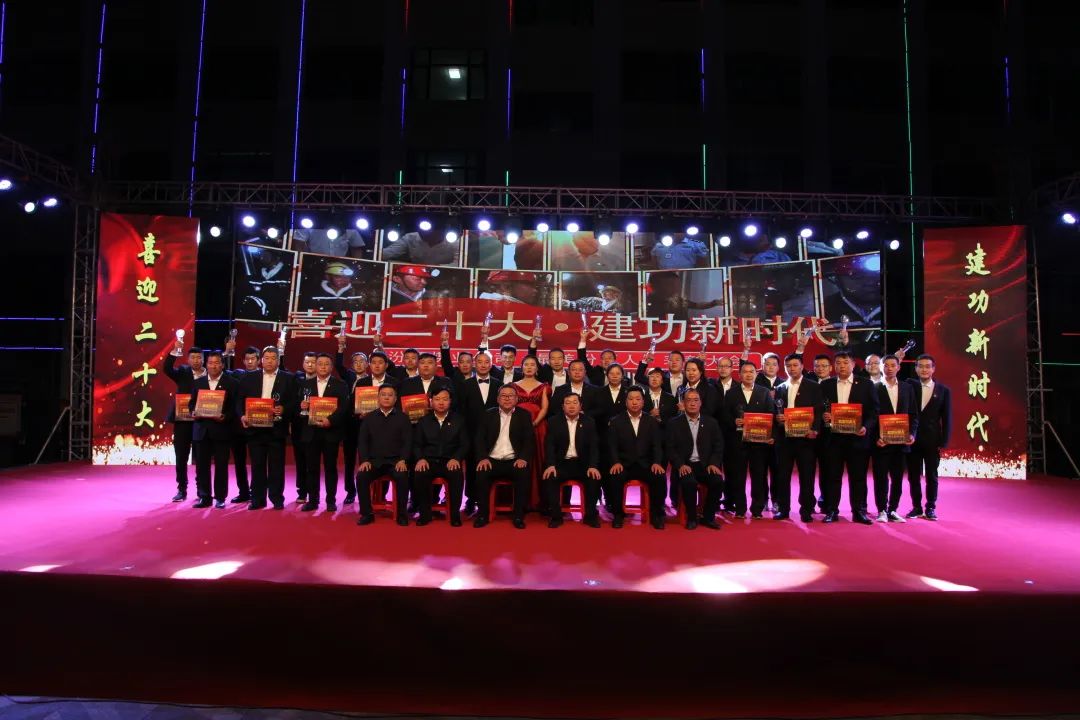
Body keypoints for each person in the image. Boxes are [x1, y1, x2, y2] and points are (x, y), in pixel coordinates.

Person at [820, 351, 879, 525]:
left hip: (857, 438)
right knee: (832, 476)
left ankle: (859, 511)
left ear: (853, 364)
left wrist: (865, 426)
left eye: (845, 362)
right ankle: (831, 510)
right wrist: (824, 416)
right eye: (838, 362)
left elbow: (874, 411)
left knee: (858, 477)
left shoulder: (866, 384)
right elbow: (819, 408)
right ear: (834, 366)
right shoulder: (826, 385)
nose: (842, 366)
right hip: (833, 439)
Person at [236, 346, 298, 510]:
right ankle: (257, 499)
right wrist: (242, 415)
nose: (270, 361)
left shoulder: (288, 378)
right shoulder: (249, 377)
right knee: (257, 465)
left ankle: (277, 498)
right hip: (255, 428)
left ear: (278, 360)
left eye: (273, 358)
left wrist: (284, 408)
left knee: (276, 466)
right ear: (261, 360)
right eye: (267, 358)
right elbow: (239, 400)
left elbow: (295, 401)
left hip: (276, 429)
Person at [473, 385, 536, 529]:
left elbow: (529, 440)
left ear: (516, 399)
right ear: (497, 399)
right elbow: (479, 439)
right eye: (503, 396)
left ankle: (518, 516)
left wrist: (523, 458)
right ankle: (482, 515)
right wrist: (482, 457)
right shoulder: (487, 414)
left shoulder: (524, 415)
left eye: (510, 396)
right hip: (491, 460)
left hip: (514, 460)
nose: (507, 399)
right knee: (481, 473)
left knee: (523, 473)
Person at [606, 388, 667, 529]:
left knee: (659, 477)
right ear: (626, 402)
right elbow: (612, 446)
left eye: (638, 399)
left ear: (643, 402)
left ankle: (656, 514)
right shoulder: (615, 421)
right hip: (624, 465)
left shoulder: (651, 421)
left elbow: (657, 446)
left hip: (646, 465)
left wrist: (657, 462)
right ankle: (618, 515)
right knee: (614, 477)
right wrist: (616, 462)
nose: (634, 402)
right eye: (631, 399)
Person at [721, 361, 775, 518]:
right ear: (739, 375)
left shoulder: (764, 392)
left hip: (759, 442)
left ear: (756, 374)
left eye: (752, 371)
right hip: (737, 442)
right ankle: (740, 508)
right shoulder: (731, 393)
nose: (749, 374)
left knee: (759, 476)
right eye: (745, 372)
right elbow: (724, 416)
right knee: (738, 477)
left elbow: (771, 414)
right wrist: (734, 421)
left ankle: (757, 509)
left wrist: (770, 435)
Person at [666, 387, 724, 530]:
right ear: (683, 403)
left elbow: (718, 445)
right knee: (689, 483)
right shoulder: (674, 423)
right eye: (689, 400)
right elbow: (670, 448)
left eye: (696, 400)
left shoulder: (711, 423)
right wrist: (680, 465)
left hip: (705, 465)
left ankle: (708, 517)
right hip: (685, 465)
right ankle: (691, 518)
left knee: (717, 481)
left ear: (700, 403)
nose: (692, 403)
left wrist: (714, 463)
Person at [773, 353, 823, 522]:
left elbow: (818, 411)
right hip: (785, 439)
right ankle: (783, 509)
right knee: (782, 476)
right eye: (788, 366)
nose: (792, 369)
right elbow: (777, 410)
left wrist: (815, 430)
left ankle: (806, 510)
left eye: (795, 365)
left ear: (802, 366)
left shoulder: (813, 386)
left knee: (807, 476)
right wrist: (778, 418)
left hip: (805, 439)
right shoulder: (780, 388)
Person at [543, 393, 603, 528]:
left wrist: (593, 465)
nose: (571, 406)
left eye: (575, 403)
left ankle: (590, 516)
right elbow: (549, 445)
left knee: (594, 478)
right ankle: (556, 517)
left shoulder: (589, 422)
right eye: (568, 403)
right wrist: (551, 465)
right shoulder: (553, 421)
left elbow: (594, 447)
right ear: (562, 406)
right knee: (550, 477)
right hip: (561, 463)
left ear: (580, 406)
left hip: (583, 464)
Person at [355, 385, 413, 526]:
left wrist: (403, 460)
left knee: (402, 477)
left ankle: (402, 514)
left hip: (396, 462)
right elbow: (363, 442)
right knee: (361, 476)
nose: (386, 397)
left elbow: (408, 442)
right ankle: (367, 514)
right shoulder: (369, 418)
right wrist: (365, 460)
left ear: (395, 399)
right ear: (378, 398)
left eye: (390, 395)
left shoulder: (403, 418)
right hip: (374, 462)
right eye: (383, 395)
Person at [299, 354, 350, 512]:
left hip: (330, 432)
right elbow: (297, 406)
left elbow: (344, 408)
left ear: (331, 367)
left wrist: (331, 420)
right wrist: (301, 406)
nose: (322, 366)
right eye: (320, 363)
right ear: (315, 366)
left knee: (330, 468)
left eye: (326, 364)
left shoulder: (340, 384)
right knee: (311, 468)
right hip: (311, 432)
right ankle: (313, 501)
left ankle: (330, 501)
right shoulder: (305, 384)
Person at [412, 387, 469, 526]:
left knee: (456, 475)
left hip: (449, 461)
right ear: (431, 401)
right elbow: (416, 444)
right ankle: (425, 514)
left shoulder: (459, 420)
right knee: (420, 474)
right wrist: (420, 459)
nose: (441, 402)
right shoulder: (423, 421)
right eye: (437, 399)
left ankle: (455, 515)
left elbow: (465, 444)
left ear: (450, 401)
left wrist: (456, 458)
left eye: (445, 399)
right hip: (429, 461)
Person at [871, 355, 918, 523]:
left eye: (893, 365)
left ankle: (893, 509)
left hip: (901, 442)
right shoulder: (874, 388)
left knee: (897, 478)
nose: (889, 368)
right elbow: (870, 416)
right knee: (880, 478)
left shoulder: (907, 388)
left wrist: (912, 434)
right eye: (886, 365)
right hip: (881, 443)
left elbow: (913, 415)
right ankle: (881, 510)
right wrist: (875, 437)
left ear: (899, 367)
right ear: (880, 368)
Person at [189, 350, 237, 509]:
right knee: (202, 466)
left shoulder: (231, 383)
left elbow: (234, 407)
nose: (213, 366)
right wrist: (193, 412)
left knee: (221, 466)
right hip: (202, 430)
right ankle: (204, 497)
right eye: (210, 363)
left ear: (222, 365)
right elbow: (191, 404)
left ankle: (220, 497)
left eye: (217, 363)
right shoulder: (198, 383)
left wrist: (225, 416)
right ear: (206, 364)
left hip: (222, 430)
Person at [906, 354, 951, 521]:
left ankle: (931, 507)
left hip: (933, 440)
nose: (924, 369)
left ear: (933, 369)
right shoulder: (909, 386)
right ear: (916, 368)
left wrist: (944, 441)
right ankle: (916, 507)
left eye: (927, 366)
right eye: (921, 366)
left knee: (932, 475)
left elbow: (947, 418)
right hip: (912, 438)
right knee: (913, 475)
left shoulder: (943, 390)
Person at [459, 351, 502, 516]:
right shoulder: (465, 384)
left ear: (491, 364)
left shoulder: (499, 384)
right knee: (471, 468)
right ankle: (470, 500)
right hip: (470, 433)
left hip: (494, 433)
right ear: (474, 365)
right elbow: (461, 411)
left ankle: (489, 499)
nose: (483, 365)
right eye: (480, 362)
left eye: (486, 362)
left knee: (491, 465)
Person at [163, 342, 206, 502]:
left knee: (201, 457)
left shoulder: (209, 374)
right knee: (181, 456)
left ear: (203, 359)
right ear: (188, 359)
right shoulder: (182, 372)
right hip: (183, 421)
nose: (196, 360)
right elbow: (167, 369)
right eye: (193, 357)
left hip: (202, 421)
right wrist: (175, 351)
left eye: (199, 357)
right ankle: (182, 489)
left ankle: (201, 490)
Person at [511, 356, 551, 511]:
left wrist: (534, 423)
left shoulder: (544, 386)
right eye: (526, 364)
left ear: (537, 368)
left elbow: (544, 408)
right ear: (521, 367)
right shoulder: (513, 386)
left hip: (538, 427)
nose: (529, 367)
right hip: (517, 426)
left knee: (539, 459)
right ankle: (521, 500)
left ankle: (539, 500)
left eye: (532, 365)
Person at [226, 345, 261, 503]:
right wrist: (227, 352)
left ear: (259, 361)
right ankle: (243, 492)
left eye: (253, 359)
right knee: (239, 461)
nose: (250, 362)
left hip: (257, 424)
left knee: (257, 461)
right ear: (243, 361)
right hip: (237, 425)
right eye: (247, 359)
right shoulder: (237, 374)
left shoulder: (265, 376)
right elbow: (222, 371)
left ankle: (256, 491)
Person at [291, 352, 318, 504]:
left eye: (313, 362)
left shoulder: (322, 381)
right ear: (303, 364)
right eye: (307, 362)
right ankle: (302, 492)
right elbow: (290, 401)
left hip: (316, 427)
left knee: (312, 463)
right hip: (299, 427)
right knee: (300, 461)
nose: (310, 365)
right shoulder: (296, 380)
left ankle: (314, 493)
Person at [550, 359, 601, 423]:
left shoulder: (595, 390)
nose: (577, 372)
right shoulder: (559, 390)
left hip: (587, 424)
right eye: (574, 369)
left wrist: (584, 414)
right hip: (564, 424)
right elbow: (554, 409)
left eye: (580, 370)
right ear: (568, 372)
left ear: (585, 372)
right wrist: (568, 414)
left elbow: (599, 409)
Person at [382, 230, 460, 266]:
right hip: (415, 276)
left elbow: (459, 264)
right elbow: (388, 253)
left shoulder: (455, 241)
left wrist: (437, 267)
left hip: (445, 277)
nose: (428, 234)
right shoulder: (410, 238)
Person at [561, 284, 626, 314]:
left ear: (615, 294)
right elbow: (576, 304)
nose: (603, 293)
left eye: (607, 291)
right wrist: (562, 302)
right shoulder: (594, 300)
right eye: (602, 292)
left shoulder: (622, 305)